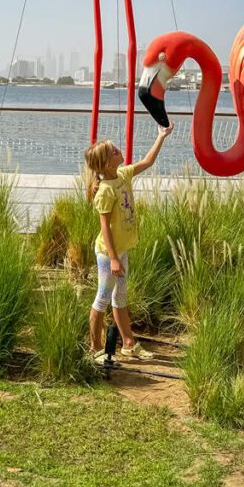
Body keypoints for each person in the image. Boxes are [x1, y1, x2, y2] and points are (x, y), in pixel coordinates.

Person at [85, 124, 174, 361]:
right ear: (107, 164)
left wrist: (161, 137)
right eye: (114, 151)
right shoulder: (105, 190)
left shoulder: (122, 175)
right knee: (102, 298)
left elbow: (147, 162)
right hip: (108, 254)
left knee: (120, 298)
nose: (118, 150)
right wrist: (113, 258)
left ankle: (128, 343)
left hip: (121, 250)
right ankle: (94, 349)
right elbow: (105, 226)